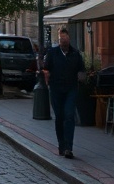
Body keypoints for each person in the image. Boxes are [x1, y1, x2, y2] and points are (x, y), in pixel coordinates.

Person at [42, 27, 86, 159]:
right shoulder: (53, 53)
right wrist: (47, 80)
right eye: (61, 39)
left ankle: (68, 147)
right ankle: (61, 144)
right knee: (59, 117)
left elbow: (81, 70)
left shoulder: (75, 54)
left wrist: (82, 77)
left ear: (69, 39)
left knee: (69, 115)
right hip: (56, 89)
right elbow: (46, 69)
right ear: (59, 40)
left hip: (71, 89)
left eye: (65, 39)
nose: (63, 42)